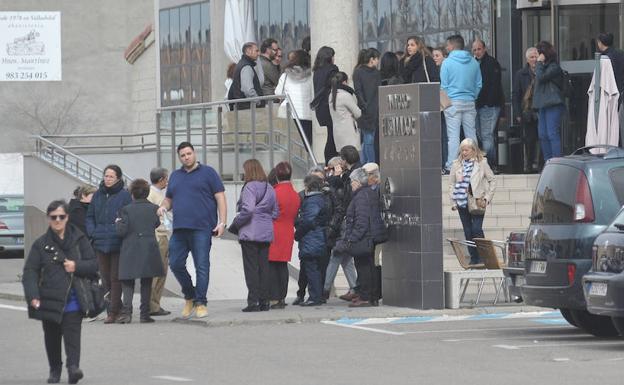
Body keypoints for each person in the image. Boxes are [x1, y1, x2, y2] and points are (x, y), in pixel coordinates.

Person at [23, 200, 98, 384]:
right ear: (48, 219)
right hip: (48, 298)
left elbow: (93, 264)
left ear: (67, 218)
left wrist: (76, 266)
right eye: (53, 217)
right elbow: (30, 272)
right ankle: (54, 369)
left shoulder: (79, 240)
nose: (57, 220)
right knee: (52, 337)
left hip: (73, 298)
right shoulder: (41, 244)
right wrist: (33, 296)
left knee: (73, 335)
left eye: (61, 217)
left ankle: (73, 368)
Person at [157, 142, 227, 319]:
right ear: (179, 157)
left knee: (201, 266)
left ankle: (201, 302)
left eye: (189, 153)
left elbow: (220, 197)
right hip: (180, 228)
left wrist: (222, 222)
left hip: (202, 228)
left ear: (194, 153)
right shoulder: (175, 176)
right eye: (183, 155)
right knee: (176, 263)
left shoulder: (208, 173)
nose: (186, 157)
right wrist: (163, 207)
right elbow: (169, 199)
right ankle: (190, 296)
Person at [230, 159, 279, 312]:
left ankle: (253, 302)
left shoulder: (250, 187)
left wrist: (237, 222)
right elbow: (275, 213)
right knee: (264, 268)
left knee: (251, 268)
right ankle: (265, 302)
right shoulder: (270, 187)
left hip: (250, 232)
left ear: (249, 171)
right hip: (265, 232)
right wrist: (264, 216)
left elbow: (248, 210)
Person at [86, 165, 131, 324]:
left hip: (117, 241)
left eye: (111, 176)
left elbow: (128, 216)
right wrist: (93, 232)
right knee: (104, 277)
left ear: (118, 178)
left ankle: (114, 311)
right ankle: (111, 308)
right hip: (100, 242)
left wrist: (120, 230)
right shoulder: (98, 195)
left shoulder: (125, 195)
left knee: (115, 277)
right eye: (106, 176)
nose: (108, 179)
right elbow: (90, 216)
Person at [116, 179, 164, 324]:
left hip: (130, 248)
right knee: (147, 281)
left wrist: (117, 222)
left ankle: (127, 313)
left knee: (128, 282)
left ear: (132, 194)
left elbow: (121, 231)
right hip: (148, 247)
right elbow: (156, 223)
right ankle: (144, 314)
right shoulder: (154, 208)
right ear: (147, 193)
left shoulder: (125, 210)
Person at [333, 168, 381, 307]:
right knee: (369, 266)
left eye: (352, 182)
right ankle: (371, 296)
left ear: (357, 182)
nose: (351, 184)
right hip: (368, 236)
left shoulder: (360, 197)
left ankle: (366, 297)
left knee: (364, 267)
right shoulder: (368, 193)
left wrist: (352, 238)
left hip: (363, 238)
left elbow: (361, 221)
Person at [448, 138, 496, 264]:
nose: (464, 153)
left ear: (473, 150)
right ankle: (474, 258)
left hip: (478, 201)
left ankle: (485, 256)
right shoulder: (456, 164)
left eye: (466, 150)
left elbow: (492, 180)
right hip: (462, 202)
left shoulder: (482, 163)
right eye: (462, 150)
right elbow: (451, 184)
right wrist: (453, 202)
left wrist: (487, 198)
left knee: (476, 229)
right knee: (468, 231)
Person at [441, 34, 482, 174]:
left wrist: (446, 103)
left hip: (453, 102)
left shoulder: (446, 63)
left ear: (452, 46)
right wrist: (472, 96)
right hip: (469, 101)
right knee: (471, 134)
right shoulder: (474, 62)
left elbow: (444, 86)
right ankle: (475, 162)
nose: (446, 48)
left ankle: (451, 165)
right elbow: (479, 84)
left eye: (447, 45)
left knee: (453, 136)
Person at [322, 156, 357, 300]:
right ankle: (355, 288)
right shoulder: (342, 181)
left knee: (336, 256)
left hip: (341, 225)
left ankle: (324, 289)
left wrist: (335, 177)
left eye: (330, 169)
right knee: (346, 259)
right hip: (343, 224)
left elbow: (338, 203)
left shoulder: (342, 182)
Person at [267, 162, 300, 309]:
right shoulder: (295, 195)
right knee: (282, 265)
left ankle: (274, 297)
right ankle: (281, 296)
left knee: (272, 266)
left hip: (274, 231)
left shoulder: (274, 192)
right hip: (287, 232)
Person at [294, 175, 330, 306]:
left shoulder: (312, 200)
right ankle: (316, 296)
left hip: (311, 238)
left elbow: (308, 221)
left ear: (308, 186)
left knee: (311, 268)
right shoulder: (322, 198)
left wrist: (297, 233)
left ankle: (314, 297)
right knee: (315, 268)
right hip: (318, 237)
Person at [473, 39, 504, 168]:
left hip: (488, 105)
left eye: (479, 49)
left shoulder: (492, 63)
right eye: (474, 50)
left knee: (486, 135)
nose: (477, 52)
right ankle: (488, 162)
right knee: (480, 134)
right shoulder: (473, 63)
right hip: (477, 105)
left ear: (484, 49)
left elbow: (495, 85)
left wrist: (489, 102)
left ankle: (491, 164)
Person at [532, 41, 565, 161]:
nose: (536, 57)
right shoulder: (543, 67)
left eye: (538, 53)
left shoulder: (554, 67)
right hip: (543, 105)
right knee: (543, 135)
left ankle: (557, 162)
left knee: (552, 133)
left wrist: (539, 63)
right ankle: (548, 162)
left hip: (553, 104)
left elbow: (541, 78)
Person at [146, 167, 172, 316]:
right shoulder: (154, 195)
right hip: (158, 236)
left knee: (159, 272)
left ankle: (153, 303)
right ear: (161, 179)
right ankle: (153, 305)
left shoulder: (153, 193)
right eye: (166, 178)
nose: (167, 181)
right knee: (158, 272)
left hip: (159, 236)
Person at [276, 49, 314, 146]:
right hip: (306, 114)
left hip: (288, 114)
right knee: (306, 144)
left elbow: (278, 93)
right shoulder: (311, 77)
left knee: (289, 144)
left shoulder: (285, 76)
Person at [513, 47, 540, 172]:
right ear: (527, 60)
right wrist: (518, 113)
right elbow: (516, 95)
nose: (534, 60)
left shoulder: (542, 71)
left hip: (541, 109)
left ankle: (540, 164)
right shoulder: (521, 74)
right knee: (529, 140)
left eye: (536, 56)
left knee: (542, 138)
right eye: (532, 57)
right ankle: (528, 164)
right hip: (527, 111)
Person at [354, 48, 381, 164]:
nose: (378, 61)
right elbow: (358, 91)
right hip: (366, 111)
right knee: (369, 139)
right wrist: (364, 105)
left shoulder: (376, 73)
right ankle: (371, 163)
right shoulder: (359, 72)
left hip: (374, 110)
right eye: (377, 59)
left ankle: (365, 163)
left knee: (368, 139)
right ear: (372, 59)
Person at [312, 46, 340, 163]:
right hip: (330, 106)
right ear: (329, 57)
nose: (334, 58)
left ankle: (329, 161)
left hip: (320, 107)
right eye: (333, 56)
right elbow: (335, 87)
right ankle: (331, 162)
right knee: (333, 137)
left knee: (331, 135)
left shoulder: (317, 71)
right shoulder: (332, 70)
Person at [596, 32, 624, 144]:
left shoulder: (604, 58)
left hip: (610, 94)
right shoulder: (621, 54)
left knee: (610, 124)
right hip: (621, 91)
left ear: (600, 43)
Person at [329, 71, 361, 153]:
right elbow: (358, 113)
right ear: (344, 82)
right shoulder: (345, 95)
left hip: (338, 133)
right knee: (353, 159)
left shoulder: (331, 95)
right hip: (349, 133)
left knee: (343, 159)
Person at [228, 42, 265, 109]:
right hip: (248, 109)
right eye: (256, 51)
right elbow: (248, 90)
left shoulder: (242, 64)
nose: (259, 54)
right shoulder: (246, 67)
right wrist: (258, 101)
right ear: (248, 51)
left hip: (244, 108)